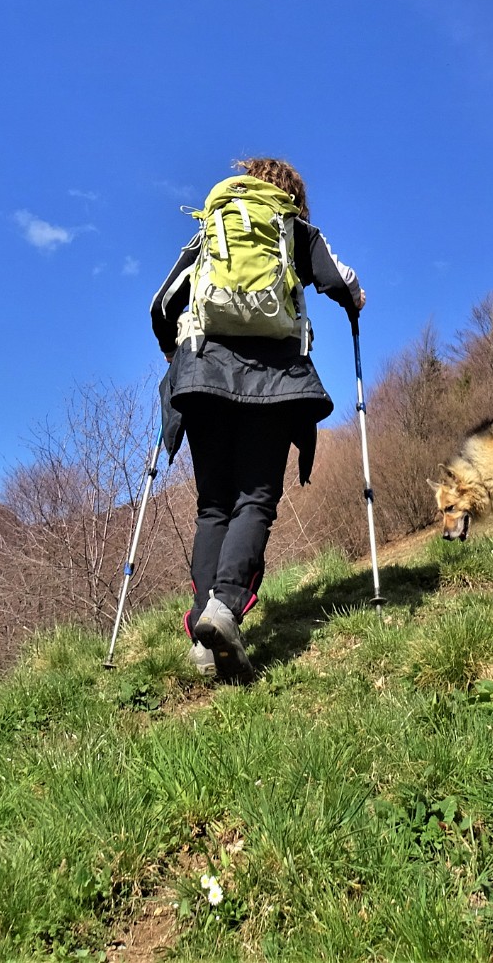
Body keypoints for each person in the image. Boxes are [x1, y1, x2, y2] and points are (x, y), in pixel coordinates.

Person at [150, 158, 366, 682]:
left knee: (213, 505)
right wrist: (354, 301)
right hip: (274, 381)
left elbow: (161, 305)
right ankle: (225, 608)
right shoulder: (291, 226)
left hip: (202, 374)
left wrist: (180, 357)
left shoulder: (212, 228)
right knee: (255, 499)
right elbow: (340, 280)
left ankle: (205, 630)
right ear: (292, 193)